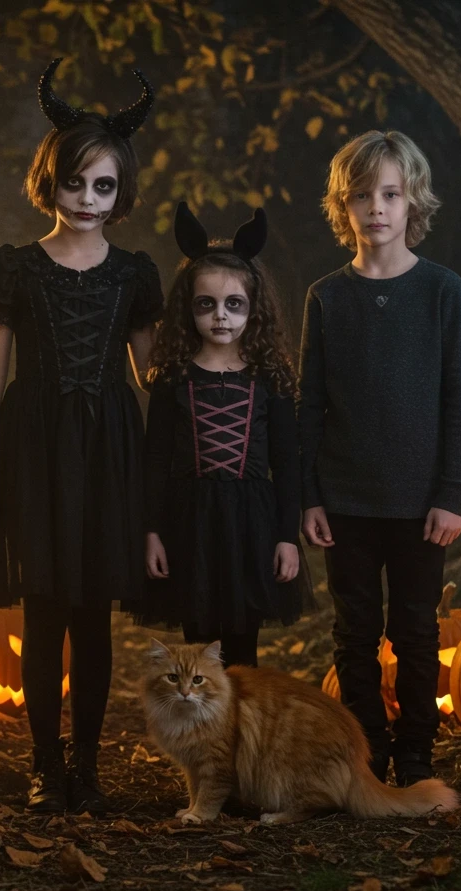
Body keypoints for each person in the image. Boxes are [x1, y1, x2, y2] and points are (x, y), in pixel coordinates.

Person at [0, 58, 163, 815]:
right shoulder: (17, 268)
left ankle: (88, 767)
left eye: (102, 186)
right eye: (74, 183)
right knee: (44, 615)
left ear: (121, 192)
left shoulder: (134, 274)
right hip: (35, 450)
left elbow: (152, 378)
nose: (86, 199)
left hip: (110, 452)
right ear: (51, 182)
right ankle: (44, 767)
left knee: (95, 618)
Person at [298, 130, 461, 786]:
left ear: (413, 202)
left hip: (419, 505)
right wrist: (308, 495)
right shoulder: (327, 296)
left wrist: (450, 493)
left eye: (391, 194)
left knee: (416, 631)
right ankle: (366, 747)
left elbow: (460, 399)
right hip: (344, 501)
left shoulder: (441, 290)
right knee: (353, 632)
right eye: (363, 195)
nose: (377, 207)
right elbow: (308, 403)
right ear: (344, 207)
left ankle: (418, 752)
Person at [140, 202, 309, 668]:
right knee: (196, 649)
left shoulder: (269, 379)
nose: (221, 316)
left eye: (234, 304)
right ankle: (201, 739)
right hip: (188, 524)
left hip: (252, 526)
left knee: (242, 650)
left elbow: (287, 462)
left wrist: (286, 536)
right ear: (187, 308)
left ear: (253, 309)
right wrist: (152, 531)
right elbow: (155, 460)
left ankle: (241, 739)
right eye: (206, 304)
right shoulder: (172, 378)